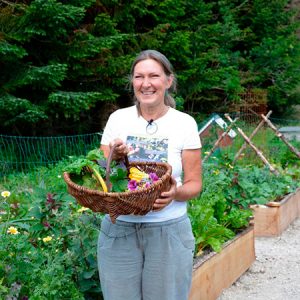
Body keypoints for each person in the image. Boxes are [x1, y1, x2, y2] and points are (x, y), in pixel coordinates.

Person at [97, 49, 202, 300]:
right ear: (132, 82)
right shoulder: (118, 119)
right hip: (119, 229)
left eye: (154, 76)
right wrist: (116, 155)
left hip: (168, 232)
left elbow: (194, 184)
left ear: (168, 80)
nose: (146, 84)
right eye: (138, 76)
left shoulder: (184, 123)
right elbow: (104, 178)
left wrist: (175, 193)